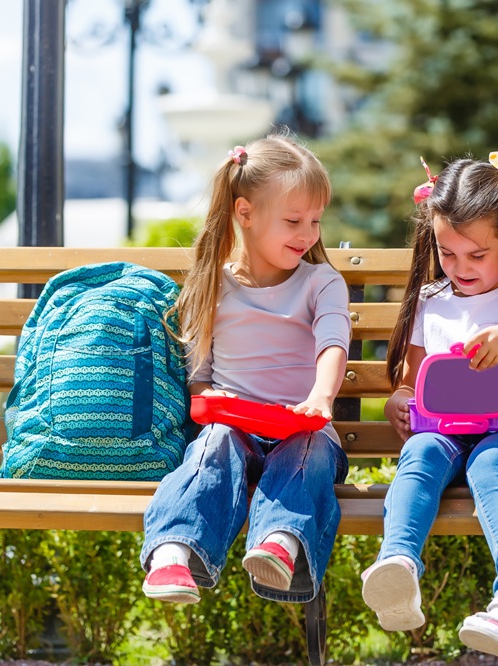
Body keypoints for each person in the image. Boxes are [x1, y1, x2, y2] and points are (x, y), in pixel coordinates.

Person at [361, 152, 498, 662]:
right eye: (447, 253)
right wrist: (400, 402)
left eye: (475, 255)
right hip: (446, 430)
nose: (460, 268)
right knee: (418, 455)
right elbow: (413, 383)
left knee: (490, 460)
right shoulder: (432, 298)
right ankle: (399, 567)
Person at [140, 133, 351, 606]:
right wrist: (209, 397)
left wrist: (321, 396)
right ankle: (174, 551)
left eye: (316, 221)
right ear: (245, 212)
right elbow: (201, 372)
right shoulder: (215, 283)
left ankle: (280, 543)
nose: (308, 234)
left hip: (303, 424)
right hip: (235, 427)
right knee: (211, 447)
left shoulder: (322, 282)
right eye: (294, 220)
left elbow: (333, 342)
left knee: (309, 451)